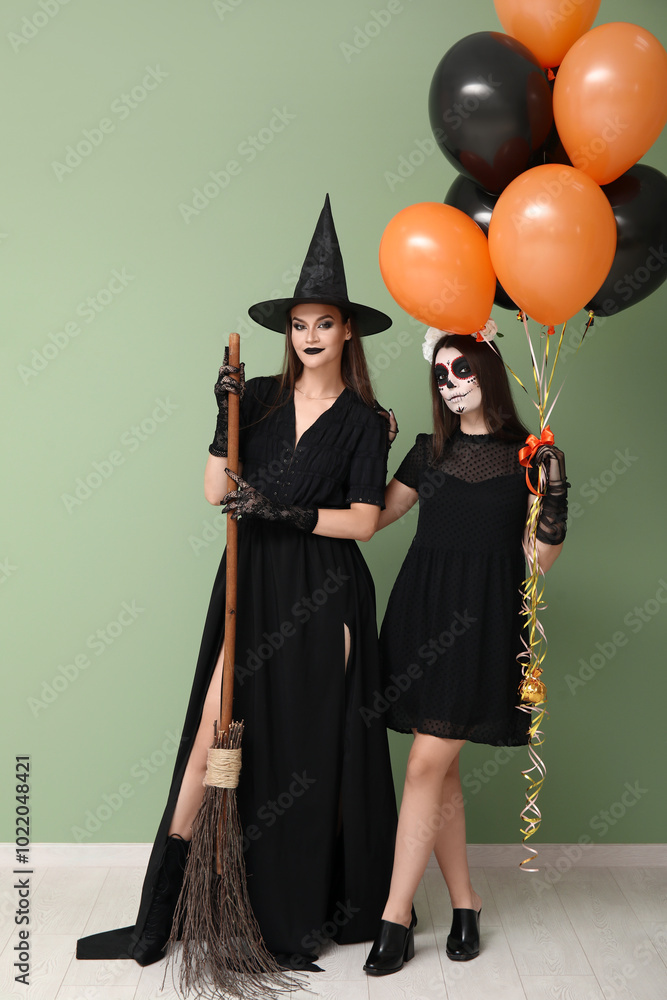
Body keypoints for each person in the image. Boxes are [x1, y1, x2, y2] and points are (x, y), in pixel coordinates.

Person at [77, 195, 398, 971]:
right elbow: (217, 492)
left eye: (324, 322)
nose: (311, 335)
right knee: (210, 745)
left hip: (325, 592)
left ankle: (297, 911)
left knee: (308, 757)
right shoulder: (252, 398)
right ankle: (160, 917)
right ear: (284, 332)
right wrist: (221, 410)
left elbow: (360, 522)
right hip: (250, 586)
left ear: (346, 330)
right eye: (299, 323)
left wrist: (285, 512)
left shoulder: (364, 420)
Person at [363, 327, 568, 975]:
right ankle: (464, 903)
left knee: (426, 764)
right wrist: (373, 446)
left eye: (459, 370)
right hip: (420, 617)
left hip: (481, 623)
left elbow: (538, 559)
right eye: (440, 375)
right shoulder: (427, 453)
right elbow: (371, 521)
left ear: (485, 366)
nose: (449, 383)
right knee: (439, 771)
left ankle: (394, 917)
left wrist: (555, 491)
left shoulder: (527, 455)